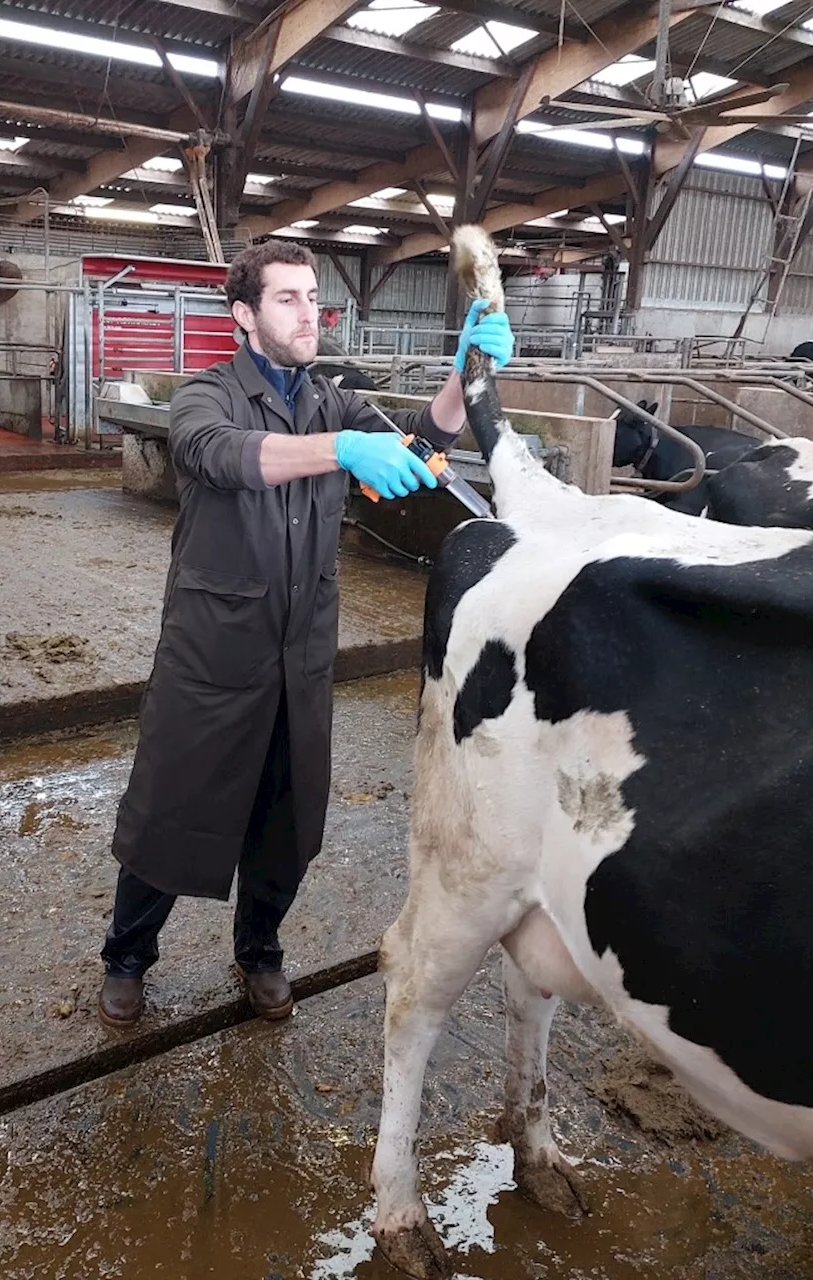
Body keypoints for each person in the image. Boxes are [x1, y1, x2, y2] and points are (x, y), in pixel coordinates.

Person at [98, 240, 513, 1028]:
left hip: (301, 651)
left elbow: (421, 453)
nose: (308, 311)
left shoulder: (335, 398)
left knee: (286, 819)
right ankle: (127, 954)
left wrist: (463, 378)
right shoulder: (204, 395)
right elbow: (217, 456)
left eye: (313, 296)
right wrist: (339, 451)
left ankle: (259, 949)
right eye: (286, 297)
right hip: (212, 654)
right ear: (243, 316)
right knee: (168, 812)